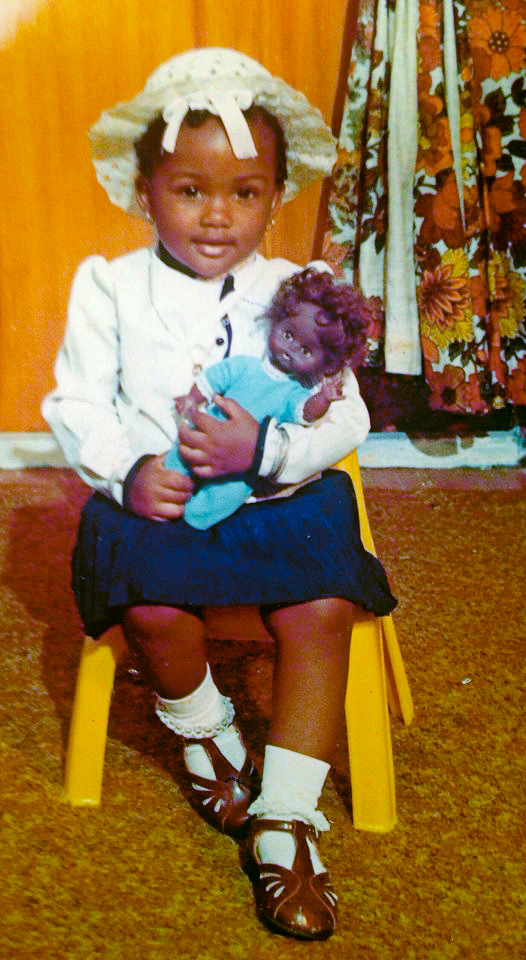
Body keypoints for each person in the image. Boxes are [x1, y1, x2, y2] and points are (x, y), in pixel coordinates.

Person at [43, 47, 397, 941]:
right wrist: (127, 467)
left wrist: (270, 447)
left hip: (277, 491)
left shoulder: (297, 292)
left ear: (276, 199)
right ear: (144, 188)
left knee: (320, 604)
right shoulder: (110, 287)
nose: (217, 216)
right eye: (190, 190)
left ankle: (285, 818)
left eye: (245, 192)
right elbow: (78, 403)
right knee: (152, 602)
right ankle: (202, 725)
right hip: (159, 494)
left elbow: (346, 415)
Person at [165, 267, 372, 529]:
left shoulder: (292, 392)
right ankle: (169, 497)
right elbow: (213, 380)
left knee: (230, 492)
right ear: (276, 321)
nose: (291, 350)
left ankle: (195, 520)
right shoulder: (247, 366)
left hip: (242, 467)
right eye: (288, 335)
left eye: (306, 350)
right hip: (205, 431)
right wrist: (192, 399)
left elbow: (306, 412)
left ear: (324, 363)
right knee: (179, 457)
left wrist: (324, 398)